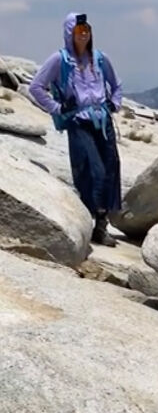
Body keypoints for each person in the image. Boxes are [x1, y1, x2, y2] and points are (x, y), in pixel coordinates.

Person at [29, 12, 123, 247]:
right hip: (78, 121)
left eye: (86, 31)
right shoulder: (59, 60)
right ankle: (89, 219)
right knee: (94, 170)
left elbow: (116, 84)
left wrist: (115, 103)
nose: (83, 35)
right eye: (79, 32)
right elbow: (36, 87)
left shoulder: (100, 59)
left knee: (111, 169)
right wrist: (57, 108)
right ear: (69, 34)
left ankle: (101, 225)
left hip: (102, 120)